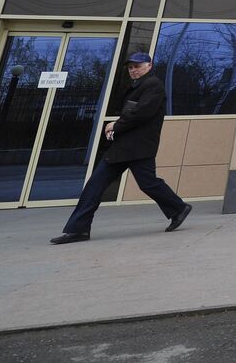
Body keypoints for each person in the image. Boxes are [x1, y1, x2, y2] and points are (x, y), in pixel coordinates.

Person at [50, 52, 192, 244]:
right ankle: (78, 229)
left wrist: (115, 125)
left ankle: (179, 208)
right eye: (130, 67)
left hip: (139, 147)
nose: (133, 70)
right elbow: (132, 113)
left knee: (147, 183)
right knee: (96, 185)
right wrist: (117, 128)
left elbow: (142, 113)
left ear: (149, 66)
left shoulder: (153, 85)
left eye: (137, 66)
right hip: (125, 147)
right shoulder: (139, 86)